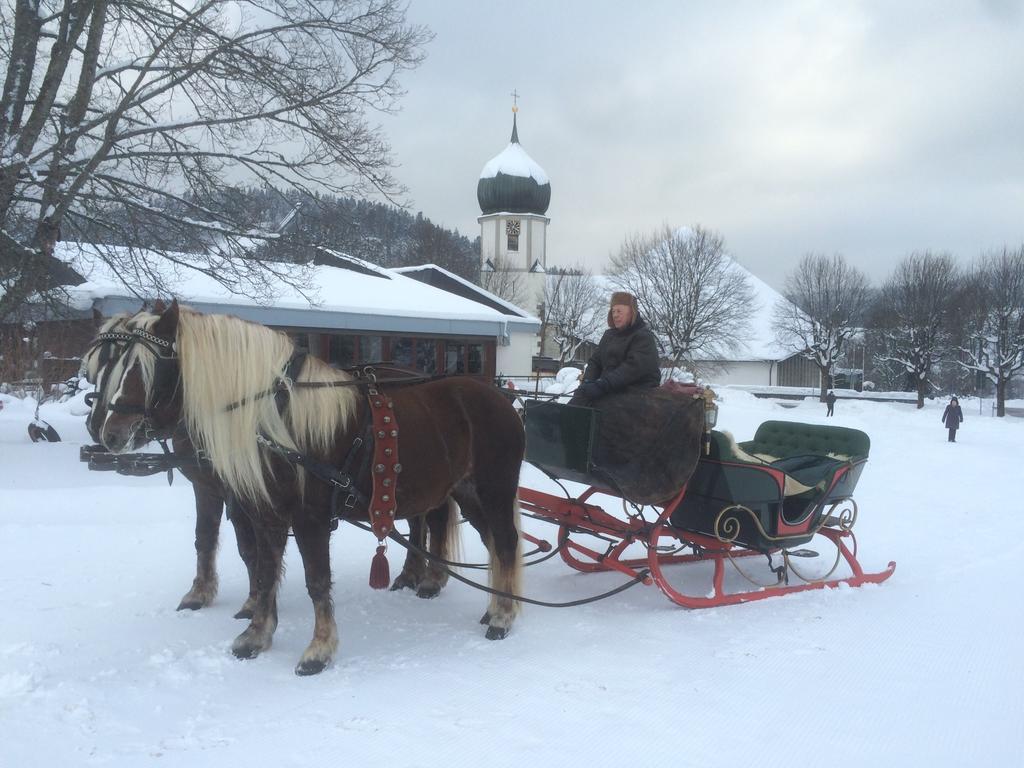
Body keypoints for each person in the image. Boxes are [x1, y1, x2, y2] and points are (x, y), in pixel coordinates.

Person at [569, 291, 661, 406]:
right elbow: (595, 362)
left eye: (619, 311)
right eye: (613, 311)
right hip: (609, 388)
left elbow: (631, 369)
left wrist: (603, 385)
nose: (615, 315)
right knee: (578, 400)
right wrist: (588, 382)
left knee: (601, 409)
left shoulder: (643, 337)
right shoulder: (609, 336)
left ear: (631, 312)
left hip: (636, 392)